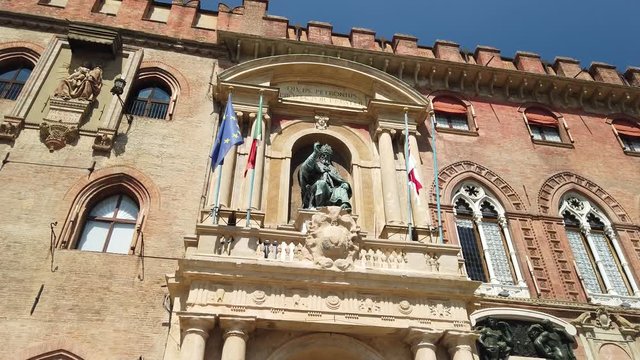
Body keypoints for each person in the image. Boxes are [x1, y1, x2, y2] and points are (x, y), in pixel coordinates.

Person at [298, 142, 352, 211]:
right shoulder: (315, 165)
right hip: (314, 189)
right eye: (323, 155)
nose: (325, 157)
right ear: (319, 156)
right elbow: (305, 167)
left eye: (327, 156)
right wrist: (315, 153)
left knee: (341, 189)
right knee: (321, 183)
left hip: (330, 190)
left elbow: (340, 179)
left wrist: (345, 184)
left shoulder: (332, 168)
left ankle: (345, 205)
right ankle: (319, 207)